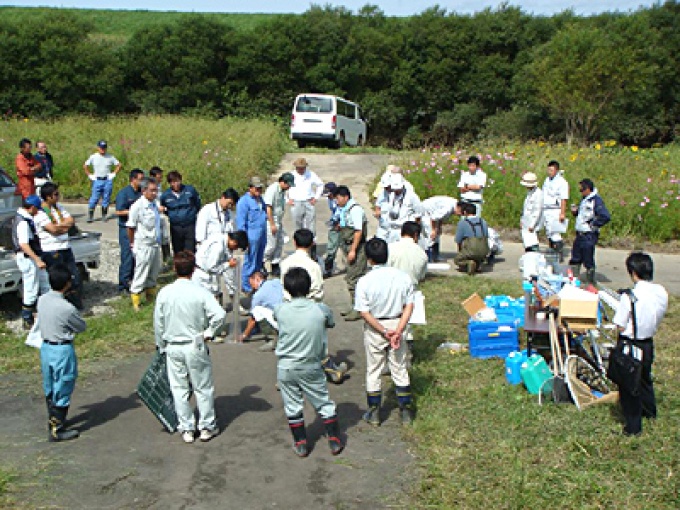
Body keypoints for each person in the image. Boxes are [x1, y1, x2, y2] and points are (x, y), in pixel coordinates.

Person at [154, 251, 227, 444]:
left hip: (173, 346)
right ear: (194, 269)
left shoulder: (165, 293)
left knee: (179, 389)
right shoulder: (200, 292)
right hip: (195, 344)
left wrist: (161, 345)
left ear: (174, 268)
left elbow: (158, 323)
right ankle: (206, 426)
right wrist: (209, 332)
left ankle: (186, 428)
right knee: (203, 387)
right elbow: (219, 314)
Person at [274, 267, 343, 457]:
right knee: (323, 402)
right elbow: (331, 323)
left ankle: (301, 442)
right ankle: (334, 439)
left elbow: (277, 322)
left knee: (292, 405)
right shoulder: (320, 309)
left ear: (287, 289)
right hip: (311, 364)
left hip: (286, 366)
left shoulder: (280, 310)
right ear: (309, 287)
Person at [355, 238, 415, 426]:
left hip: (376, 328)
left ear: (368, 258)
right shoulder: (402, 277)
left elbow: (364, 312)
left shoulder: (364, 281)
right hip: (398, 323)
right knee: (399, 367)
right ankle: (405, 411)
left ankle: (374, 412)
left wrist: (384, 330)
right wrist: (397, 330)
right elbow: (409, 306)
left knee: (374, 369)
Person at [612, 252, 668, 436]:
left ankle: (633, 427)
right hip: (648, 343)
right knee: (645, 378)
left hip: (631, 344)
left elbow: (620, 325)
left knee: (629, 385)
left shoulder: (630, 297)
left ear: (633, 272)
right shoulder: (661, 292)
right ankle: (649, 411)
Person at [38, 264, 87, 442]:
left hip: (46, 347)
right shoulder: (66, 308)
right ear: (67, 284)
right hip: (62, 349)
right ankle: (57, 428)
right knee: (64, 384)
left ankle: (52, 420)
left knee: (50, 385)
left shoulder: (42, 300)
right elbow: (81, 326)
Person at [35, 183, 82, 309]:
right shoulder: (40, 213)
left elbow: (70, 221)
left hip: (65, 247)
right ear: (48, 197)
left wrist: (61, 226)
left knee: (74, 275)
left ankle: (74, 303)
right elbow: (53, 230)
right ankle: (60, 305)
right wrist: (62, 227)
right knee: (58, 279)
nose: (58, 196)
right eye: (56, 194)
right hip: (52, 250)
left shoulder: (59, 207)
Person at [127, 177, 166, 311]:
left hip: (155, 243)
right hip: (143, 244)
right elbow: (131, 227)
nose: (155, 193)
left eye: (156, 190)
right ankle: (136, 301)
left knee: (154, 271)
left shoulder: (155, 203)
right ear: (144, 191)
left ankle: (150, 297)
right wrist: (132, 243)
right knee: (141, 272)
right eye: (152, 191)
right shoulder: (137, 206)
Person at [12, 195, 50, 329]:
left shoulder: (23, 218)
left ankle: (48, 310)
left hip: (32, 257)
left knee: (45, 283)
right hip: (28, 259)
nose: (38, 211)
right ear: (32, 208)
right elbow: (24, 244)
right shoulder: (23, 223)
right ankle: (27, 318)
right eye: (37, 209)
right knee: (31, 288)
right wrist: (37, 259)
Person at [333, 186, 369, 322]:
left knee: (354, 278)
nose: (336, 201)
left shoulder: (355, 210)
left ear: (345, 197)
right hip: (347, 245)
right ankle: (354, 306)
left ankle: (358, 308)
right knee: (351, 277)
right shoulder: (345, 210)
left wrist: (353, 250)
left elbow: (358, 231)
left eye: (338, 198)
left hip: (357, 248)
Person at [568, 178, 610, 284]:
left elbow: (605, 216)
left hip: (589, 235)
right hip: (580, 234)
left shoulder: (596, 200)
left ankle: (590, 282)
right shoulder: (585, 199)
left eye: (582, 190)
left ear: (588, 189)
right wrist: (576, 212)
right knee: (575, 257)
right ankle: (573, 280)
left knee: (588, 259)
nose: (580, 192)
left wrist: (593, 224)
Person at [193, 230, 248, 299]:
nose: (234, 250)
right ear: (234, 242)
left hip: (205, 274)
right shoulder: (218, 246)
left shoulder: (220, 238)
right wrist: (228, 264)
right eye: (236, 248)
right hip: (202, 277)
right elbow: (211, 267)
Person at [114, 169, 145, 293]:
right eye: (140, 179)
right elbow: (118, 211)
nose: (142, 182)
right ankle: (123, 285)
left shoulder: (142, 193)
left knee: (137, 257)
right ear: (133, 179)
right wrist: (133, 212)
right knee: (127, 256)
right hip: (126, 229)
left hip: (138, 229)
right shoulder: (124, 193)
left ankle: (135, 281)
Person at [236, 177, 268, 293]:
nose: (259, 190)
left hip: (261, 235)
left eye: (260, 188)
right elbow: (241, 223)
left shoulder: (260, 199)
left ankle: (257, 282)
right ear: (250, 188)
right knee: (250, 262)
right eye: (257, 188)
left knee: (258, 261)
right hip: (251, 237)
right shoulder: (244, 202)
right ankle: (246, 286)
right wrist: (244, 240)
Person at [238, 271, 283, 351]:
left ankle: (273, 338)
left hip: (281, 321)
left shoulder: (258, 295)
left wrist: (245, 335)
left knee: (256, 310)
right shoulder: (276, 282)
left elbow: (253, 319)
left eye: (252, 284)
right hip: (290, 314)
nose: (252, 287)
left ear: (258, 279)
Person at [160, 171, 201, 254]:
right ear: (169, 183)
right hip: (176, 227)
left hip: (190, 225)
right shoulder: (165, 195)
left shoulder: (190, 190)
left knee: (190, 250)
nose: (176, 184)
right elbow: (164, 209)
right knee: (178, 251)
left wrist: (191, 215)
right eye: (173, 182)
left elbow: (197, 204)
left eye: (177, 181)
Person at [375, 174, 423, 244]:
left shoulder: (412, 196)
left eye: (398, 189)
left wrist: (414, 231)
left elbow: (418, 215)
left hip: (403, 230)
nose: (396, 191)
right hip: (390, 229)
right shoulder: (390, 194)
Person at [264, 172, 295, 277]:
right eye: (288, 185)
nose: (289, 187)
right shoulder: (272, 190)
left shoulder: (282, 191)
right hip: (271, 221)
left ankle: (275, 264)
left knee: (279, 244)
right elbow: (268, 208)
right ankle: (262, 262)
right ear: (282, 182)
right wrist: (272, 224)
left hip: (279, 220)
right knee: (271, 245)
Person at [279, 229, 324, 302]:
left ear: (294, 242)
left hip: (289, 304)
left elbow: (283, 288)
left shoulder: (285, 263)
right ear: (312, 243)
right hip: (310, 306)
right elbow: (318, 292)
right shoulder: (315, 266)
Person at [83, 140, 121, 223]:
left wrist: (113, 174)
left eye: (104, 148)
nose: (103, 149)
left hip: (107, 180)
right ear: (98, 148)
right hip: (97, 180)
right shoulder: (93, 157)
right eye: (101, 148)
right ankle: (90, 216)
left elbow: (118, 165)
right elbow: (85, 165)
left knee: (106, 198)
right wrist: (90, 175)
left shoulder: (110, 157)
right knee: (94, 198)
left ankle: (104, 215)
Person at [287, 158, 323, 237]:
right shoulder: (291, 175)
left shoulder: (311, 174)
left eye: (302, 168)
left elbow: (320, 185)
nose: (300, 170)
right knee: (297, 226)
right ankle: (299, 244)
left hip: (308, 201)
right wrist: (287, 200)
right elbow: (282, 188)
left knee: (311, 225)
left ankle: (312, 244)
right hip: (295, 202)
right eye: (298, 168)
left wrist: (316, 198)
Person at [542, 160, 570, 262]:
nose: (549, 171)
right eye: (548, 169)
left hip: (555, 209)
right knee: (549, 232)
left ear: (556, 170)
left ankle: (559, 252)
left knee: (555, 232)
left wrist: (562, 213)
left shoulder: (562, 182)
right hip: (546, 208)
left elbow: (564, 199)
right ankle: (552, 250)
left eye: (551, 170)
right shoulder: (547, 180)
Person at [453, 202, 490, 275]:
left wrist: (460, 251)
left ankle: (469, 263)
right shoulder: (483, 221)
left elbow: (458, 240)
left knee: (457, 260)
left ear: (465, 212)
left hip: (471, 249)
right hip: (484, 250)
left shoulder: (463, 223)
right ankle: (478, 263)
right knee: (477, 254)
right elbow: (486, 235)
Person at [387, 221, 428, 287]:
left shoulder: (389, 248)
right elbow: (421, 277)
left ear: (401, 233)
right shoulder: (422, 254)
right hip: (410, 290)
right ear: (416, 235)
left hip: (390, 288)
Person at [420, 195, 459, 262]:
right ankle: (429, 257)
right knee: (431, 236)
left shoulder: (454, 205)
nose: (458, 215)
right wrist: (434, 230)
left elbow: (440, 217)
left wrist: (439, 227)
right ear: (459, 208)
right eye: (460, 213)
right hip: (426, 213)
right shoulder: (448, 208)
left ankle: (436, 256)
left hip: (434, 214)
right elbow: (433, 218)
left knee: (437, 236)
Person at [149, 166, 172, 262]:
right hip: (152, 214)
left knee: (165, 236)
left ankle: (167, 258)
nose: (161, 179)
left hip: (161, 214)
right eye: (159, 177)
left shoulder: (159, 186)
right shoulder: (147, 187)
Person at [519, 172, 543, 253]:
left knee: (532, 242)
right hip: (526, 221)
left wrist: (532, 224)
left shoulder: (538, 194)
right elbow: (525, 208)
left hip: (532, 223)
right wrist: (522, 220)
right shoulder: (529, 193)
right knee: (527, 243)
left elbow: (537, 210)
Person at [322, 182, 341, 277]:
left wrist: (338, 222)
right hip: (334, 224)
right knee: (331, 248)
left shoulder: (341, 199)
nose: (328, 197)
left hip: (344, 225)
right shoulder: (330, 200)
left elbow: (341, 212)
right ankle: (328, 269)